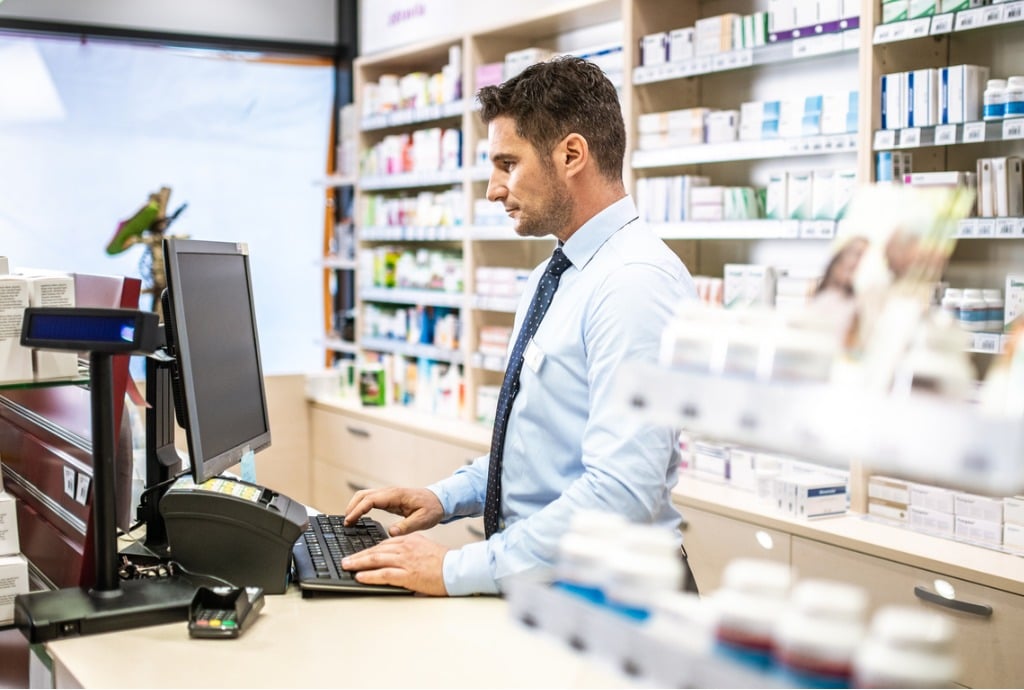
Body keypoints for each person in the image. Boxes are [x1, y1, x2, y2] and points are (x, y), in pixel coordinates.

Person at [340, 56, 697, 596]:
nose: (493, 189)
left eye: (508, 163)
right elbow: (541, 452)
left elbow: (622, 494)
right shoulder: (556, 275)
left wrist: (452, 569)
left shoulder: (633, 283)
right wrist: (446, 496)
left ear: (571, 154)